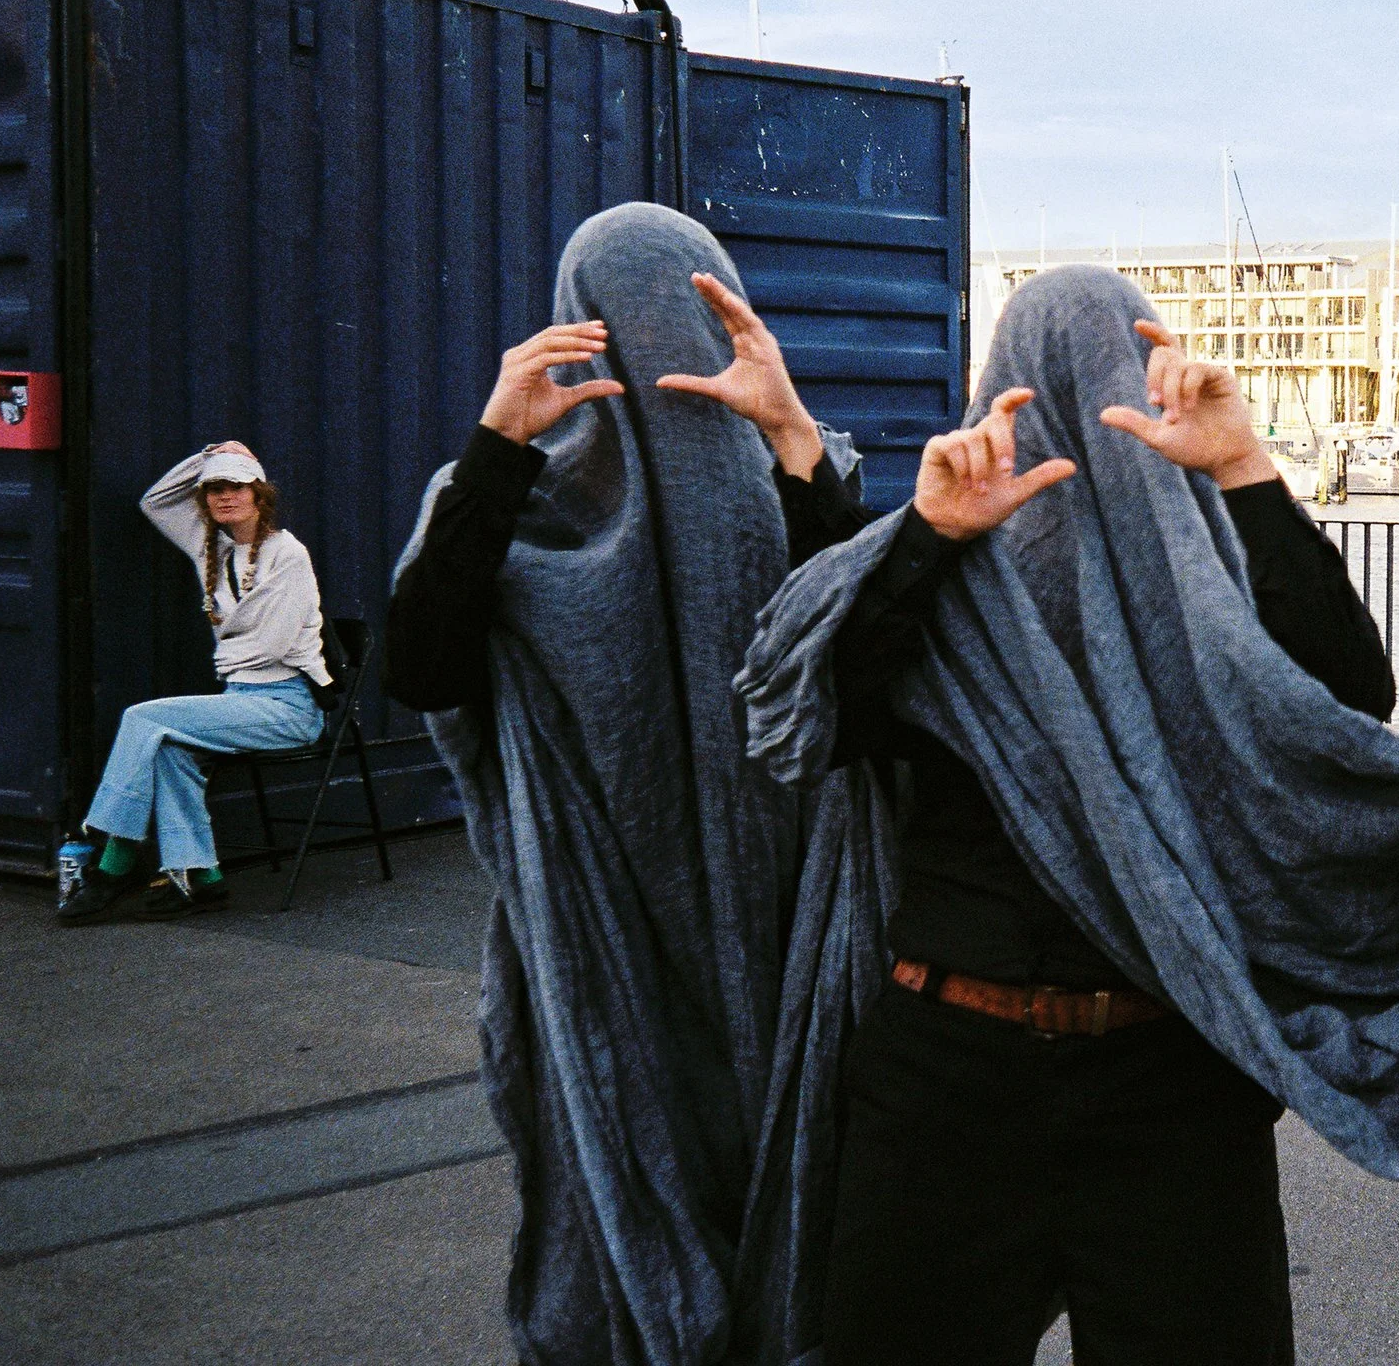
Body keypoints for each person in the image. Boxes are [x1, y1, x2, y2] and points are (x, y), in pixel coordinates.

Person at [810, 296, 1393, 1363]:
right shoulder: (943, 563)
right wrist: (930, 538)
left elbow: (1349, 703)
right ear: (1000, 394)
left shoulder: (1203, 580)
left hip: (1169, 1073)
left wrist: (1244, 467)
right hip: (949, 1070)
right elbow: (822, 724)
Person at [387, 201, 865, 1365]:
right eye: (628, 321)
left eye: (689, 320)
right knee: (616, 1222)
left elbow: (860, 671)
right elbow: (421, 665)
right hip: (603, 927)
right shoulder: (511, 501)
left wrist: (793, 436)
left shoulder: (801, 468)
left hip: (783, 922)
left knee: (801, 1212)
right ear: (577, 330)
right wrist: (499, 446)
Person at [61, 443, 332, 924]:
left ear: (259, 494)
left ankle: (113, 862)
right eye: (213, 489)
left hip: (289, 707)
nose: (224, 496)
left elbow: (270, 647)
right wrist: (210, 455)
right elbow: (156, 501)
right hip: (240, 701)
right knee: (167, 749)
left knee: (142, 718)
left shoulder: (287, 554)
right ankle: (203, 878)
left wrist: (226, 650)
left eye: (235, 487)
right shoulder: (213, 548)